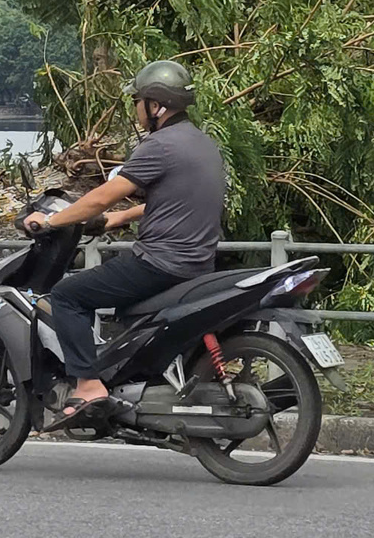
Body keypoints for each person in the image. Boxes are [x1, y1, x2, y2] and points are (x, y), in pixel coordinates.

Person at [19, 59, 227, 427]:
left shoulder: (159, 145)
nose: (135, 109)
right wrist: (121, 219)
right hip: (197, 264)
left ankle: (88, 385)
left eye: (138, 101)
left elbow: (101, 197)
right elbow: (176, 200)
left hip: (160, 264)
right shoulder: (202, 144)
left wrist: (50, 220)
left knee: (67, 296)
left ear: (155, 105)